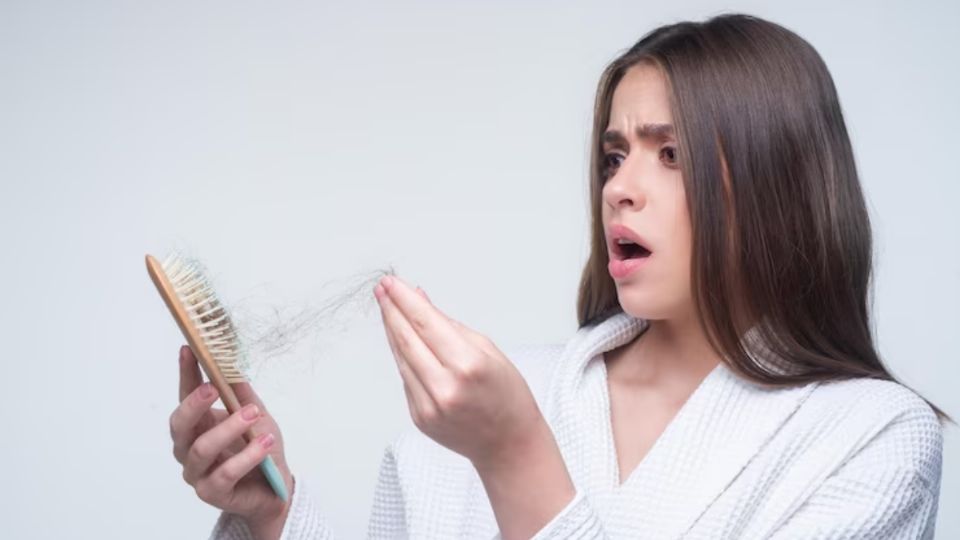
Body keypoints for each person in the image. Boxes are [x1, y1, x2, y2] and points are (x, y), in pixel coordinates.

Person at [168, 12, 950, 540]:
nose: (620, 186)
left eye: (668, 153)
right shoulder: (480, 408)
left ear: (775, 181)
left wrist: (517, 460)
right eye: (615, 155)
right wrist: (273, 522)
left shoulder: (869, 439)